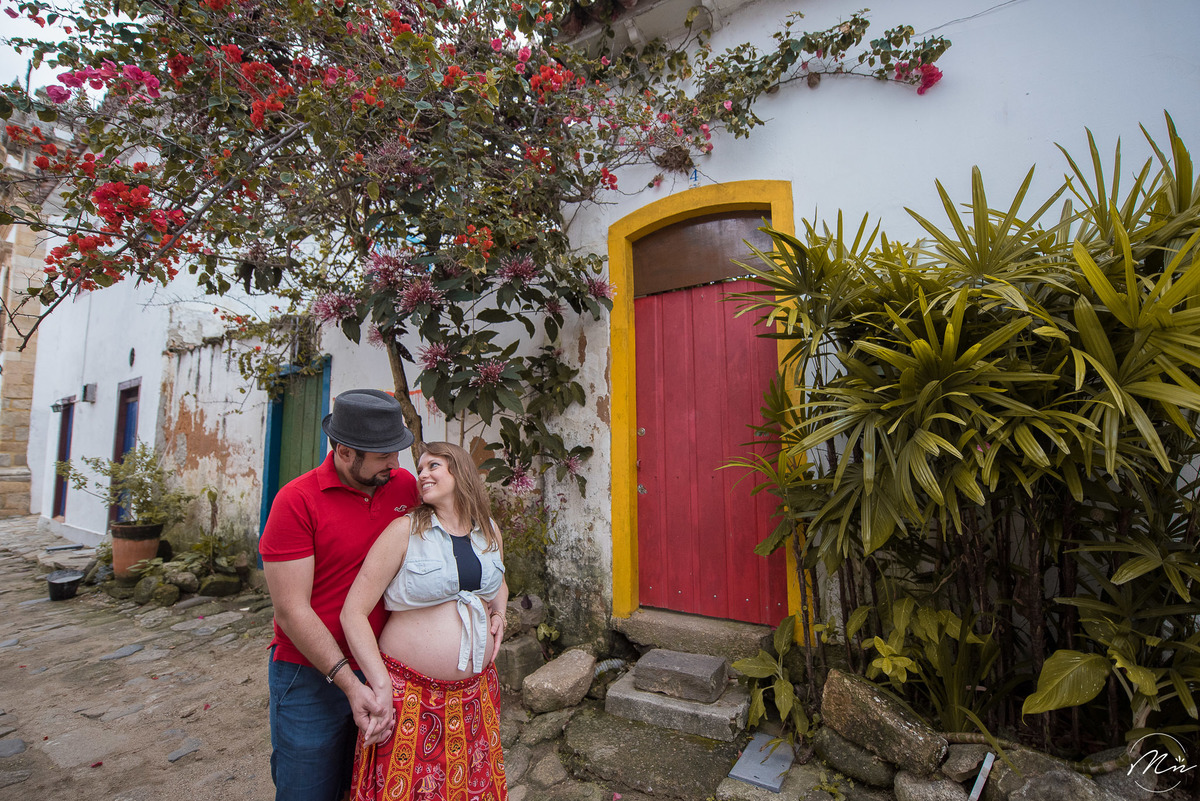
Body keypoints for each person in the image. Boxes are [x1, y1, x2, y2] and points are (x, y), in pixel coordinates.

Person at [259, 388, 419, 801]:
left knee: (370, 787)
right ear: (345, 452)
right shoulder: (295, 502)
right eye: (384, 455)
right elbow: (291, 611)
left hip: (383, 667)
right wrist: (349, 683)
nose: (396, 464)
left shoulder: (404, 487)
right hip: (309, 675)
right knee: (307, 789)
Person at [341, 441, 509, 801]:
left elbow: (500, 585)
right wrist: (381, 685)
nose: (422, 474)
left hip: (474, 696)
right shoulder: (404, 531)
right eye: (420, 469)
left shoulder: (489, 530)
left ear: (459, 471)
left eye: (433, 465)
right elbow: (352, 613)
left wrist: (499, 613)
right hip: (411, 696)